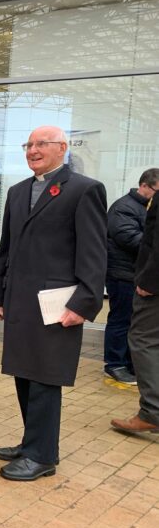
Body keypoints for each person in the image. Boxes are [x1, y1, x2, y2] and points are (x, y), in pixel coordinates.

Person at [0, 126, 107, 481]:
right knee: (23, 372)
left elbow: (94, 252)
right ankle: (33, 443)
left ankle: (41, 457)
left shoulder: (84, 190)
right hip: (20, 299)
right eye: (29, 144)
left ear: (62, 148)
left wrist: (84, 303)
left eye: (42, 144)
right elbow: (6, 247)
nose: (33, 150)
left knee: (44, 377)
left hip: (57, 303)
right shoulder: (18, 191)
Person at [102, 169, 159, 384]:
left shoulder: (146, 206)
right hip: (123, 274)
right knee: (121, 319)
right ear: (144, 185)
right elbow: (129, 238)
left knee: (135, 322)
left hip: (139, 274)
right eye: (157, 191)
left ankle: (130, 363)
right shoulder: (123, 207)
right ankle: (114, 364)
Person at [111, 182, 159, 434]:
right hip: (126, 273)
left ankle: (152, 412)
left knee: (142, 339)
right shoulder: (125, 207)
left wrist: (148, 281)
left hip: (152, 286)